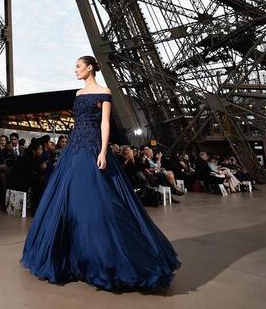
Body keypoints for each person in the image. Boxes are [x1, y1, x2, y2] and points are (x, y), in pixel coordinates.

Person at [20, 55, 179, 291]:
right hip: (74, 147)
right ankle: (72, 255)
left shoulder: (104, 92)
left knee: (96, 200)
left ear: (91, 67)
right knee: (68, 199)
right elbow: (77, 123)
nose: (75, 70)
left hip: (93, 146)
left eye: (78, 66)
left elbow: (105, 124)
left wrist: (104, 152)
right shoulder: (77, 94)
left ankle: (107, 257)